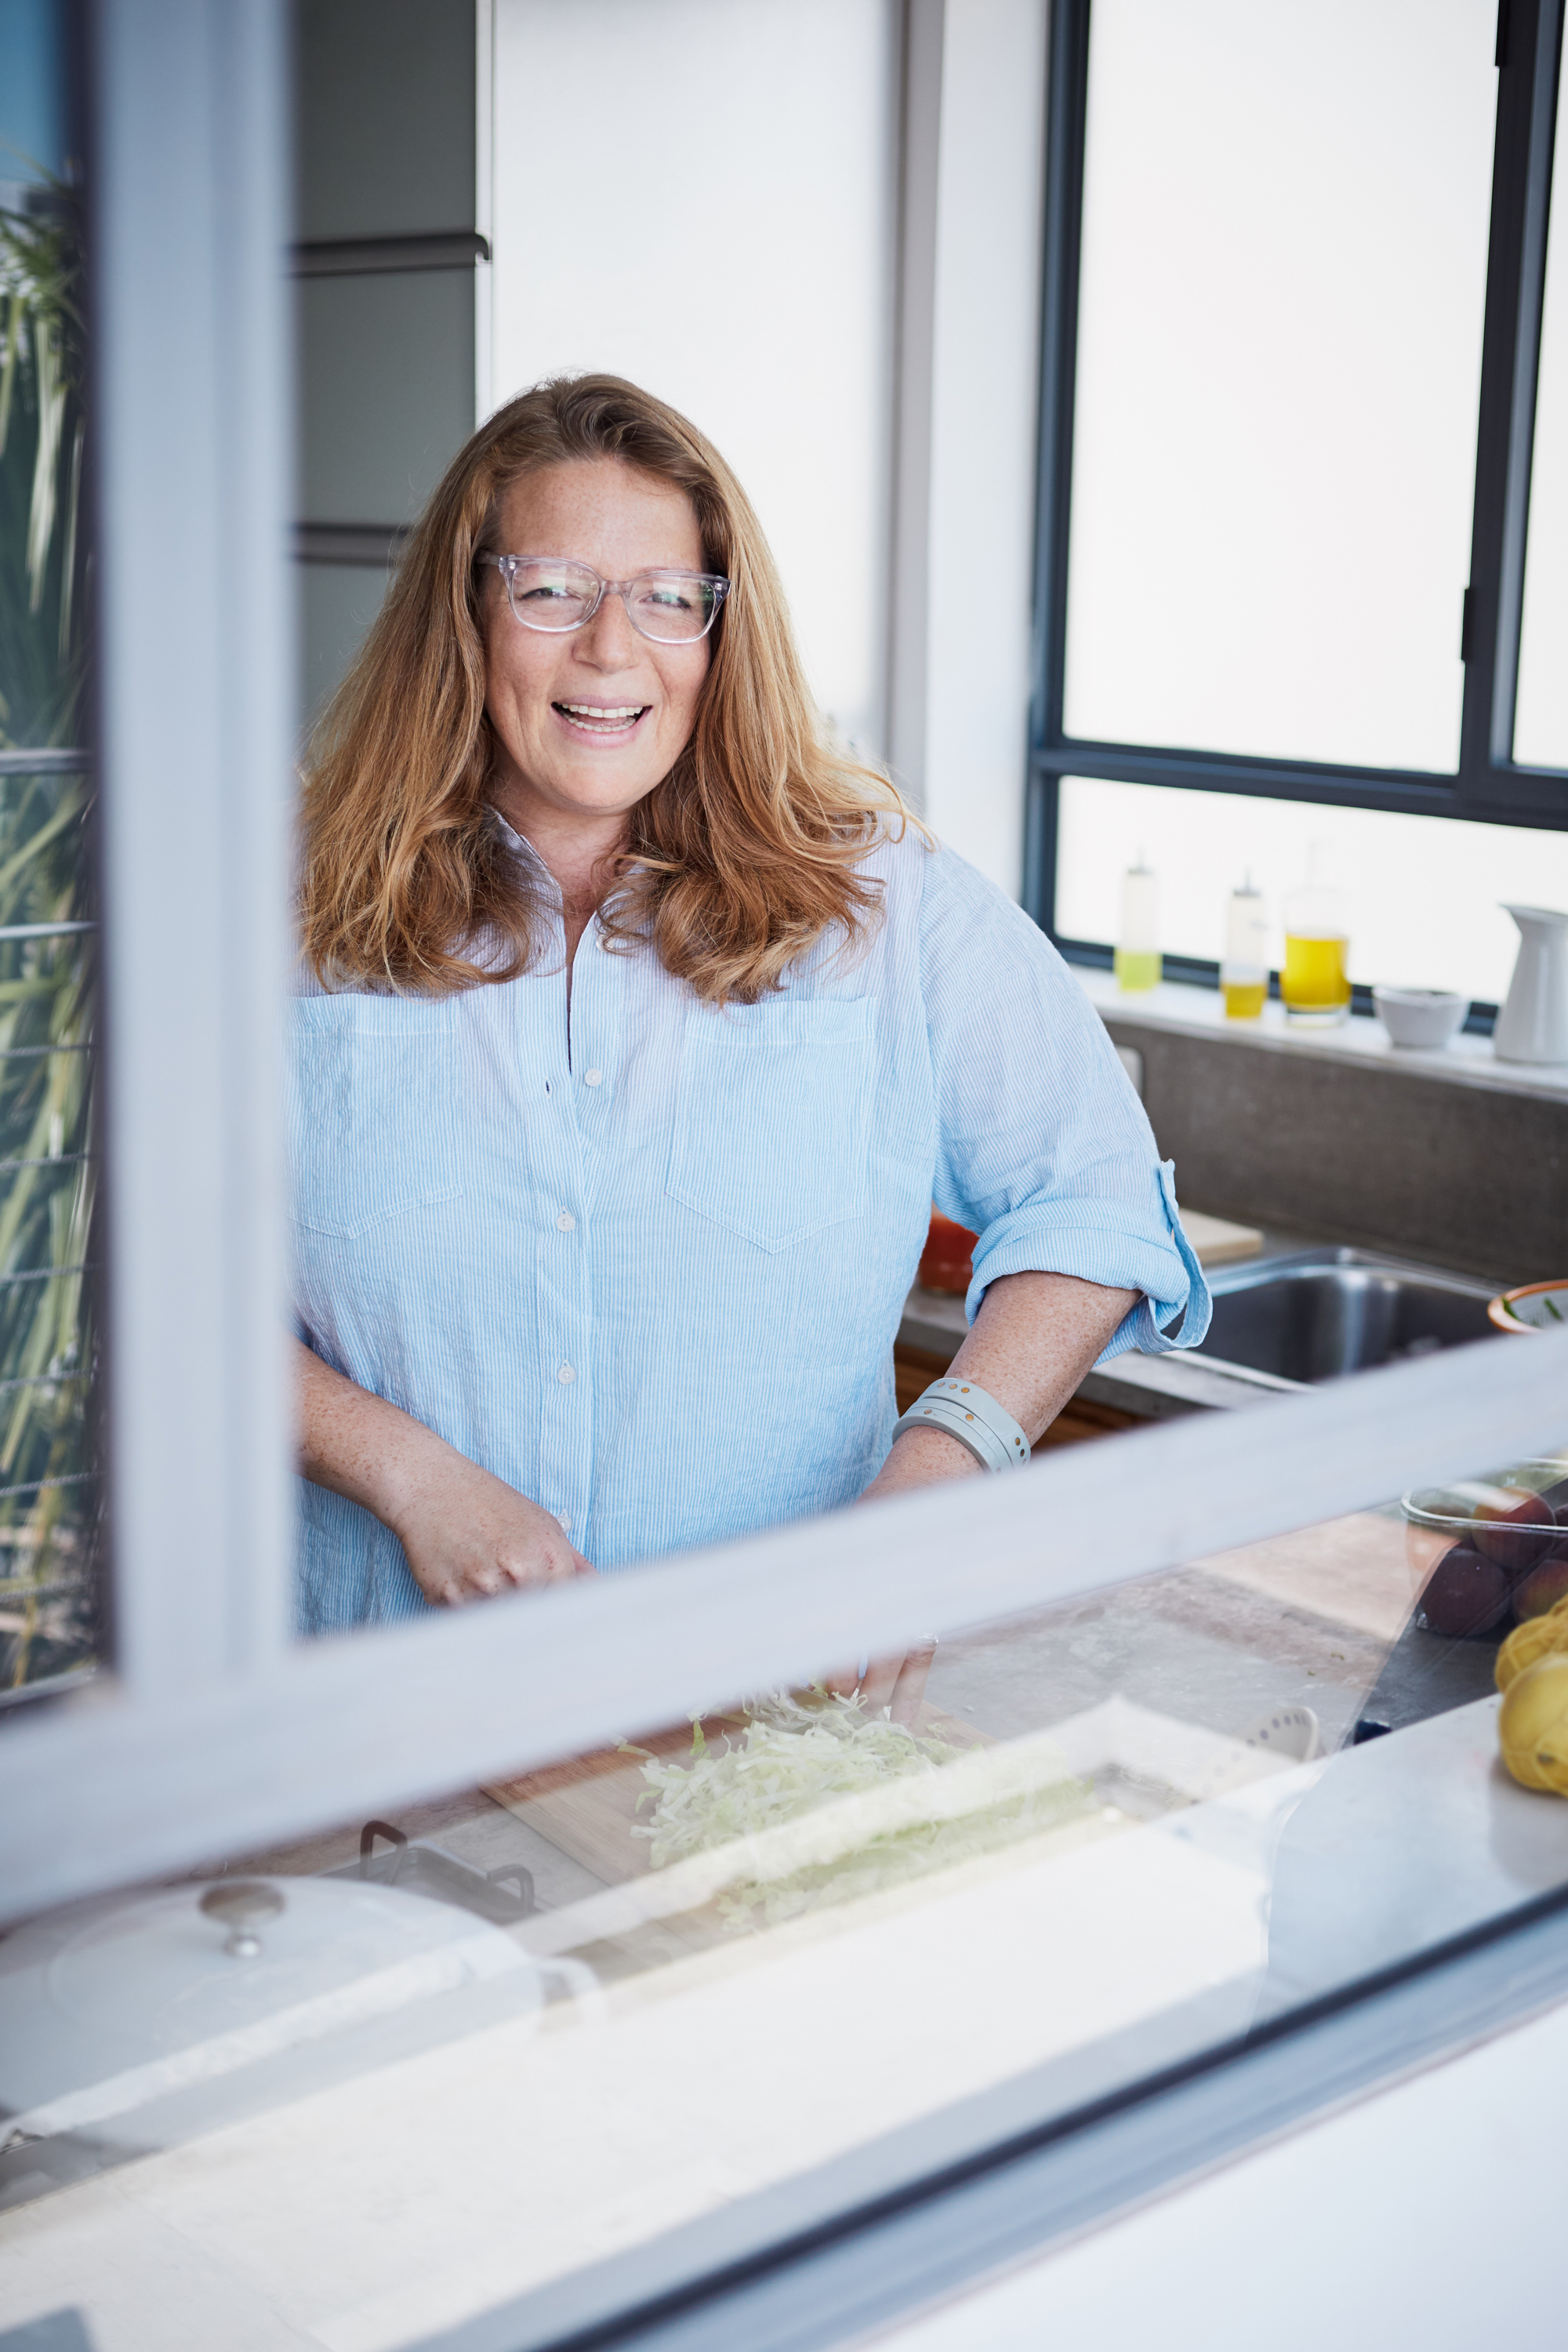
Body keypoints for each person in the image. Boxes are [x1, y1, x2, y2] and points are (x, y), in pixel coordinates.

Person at [290, 373, 1210, 1716]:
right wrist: (408, 1475)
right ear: (469, 612)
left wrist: (940, 1471)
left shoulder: (889, 906)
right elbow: (151, 1290)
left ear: (722, 634)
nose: (614, 650)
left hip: (773, 1718)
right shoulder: (294, 910)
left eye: (669, 597)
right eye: (551, 587)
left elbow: (1100, 1208)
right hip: (374, 1712)